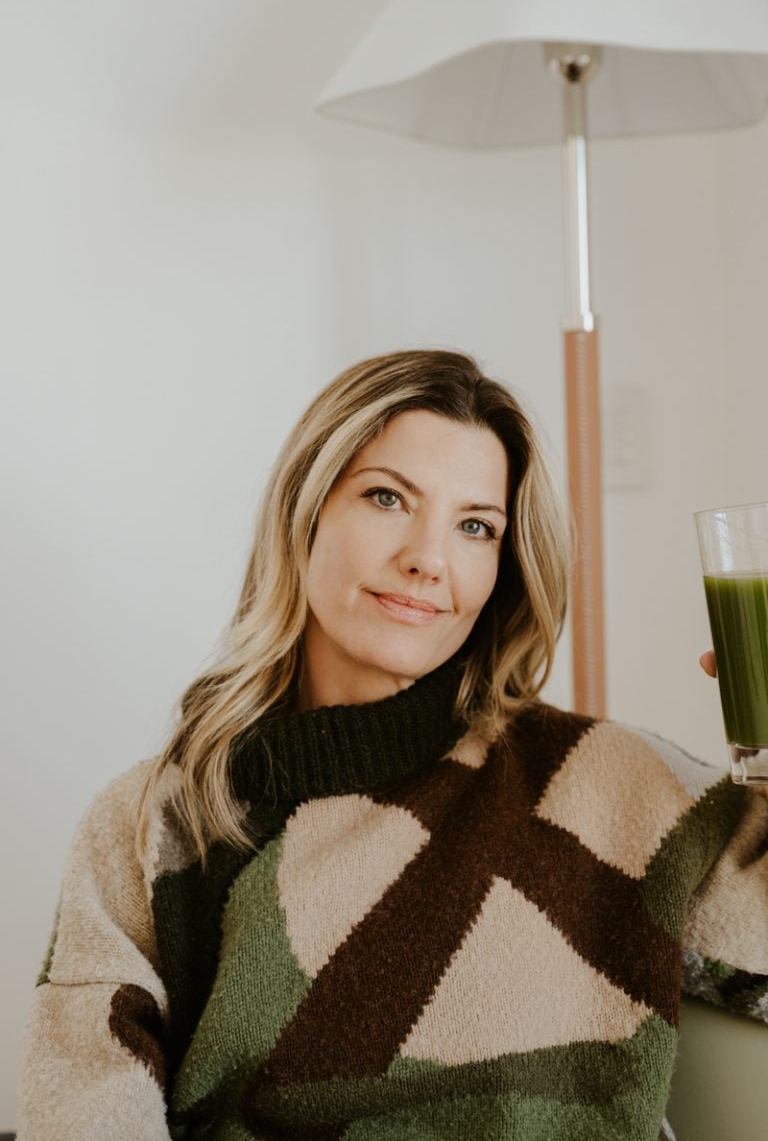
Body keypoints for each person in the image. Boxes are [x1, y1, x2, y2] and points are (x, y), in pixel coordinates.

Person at [18, 350, 768, 1141]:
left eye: (475, 526)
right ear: (304, 514)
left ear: (502, 566)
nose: (428, 558)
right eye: (387, 498)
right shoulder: (155, 823)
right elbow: (86, 1111)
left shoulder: (611, 782)